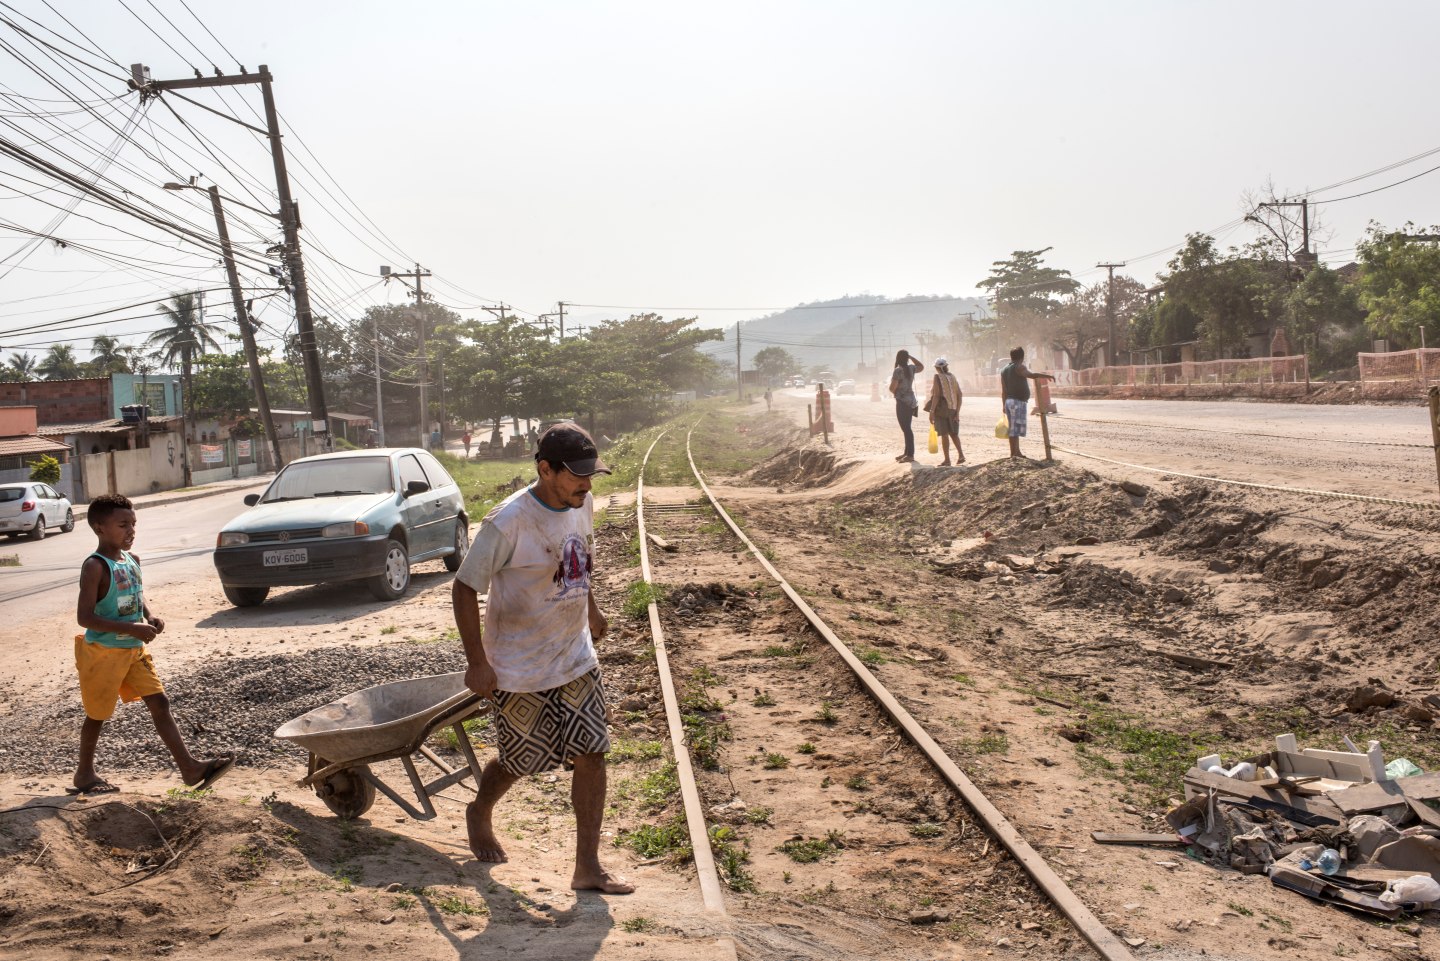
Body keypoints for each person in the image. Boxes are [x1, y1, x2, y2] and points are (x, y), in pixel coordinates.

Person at [451, 422, 634, 894]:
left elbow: (579, 559)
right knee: (521, 760)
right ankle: (480, 809)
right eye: (576, 476)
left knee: (593, 751)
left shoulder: (582, 503)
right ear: (545, 469)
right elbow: (464, 587)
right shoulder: (507, 521)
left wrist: (590, 607)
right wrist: (477, 662)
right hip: (518, 664)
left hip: (573, 654)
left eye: (591, 476)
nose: (587, 486)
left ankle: (587, 866)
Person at [71, 494, 234, 795]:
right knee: (97, 714)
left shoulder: (132, 560)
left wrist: (149, 615)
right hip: (103, 653)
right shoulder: (95, 566)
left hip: (133, 650)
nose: (131, 531)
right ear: (99, 528)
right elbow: (85, 617)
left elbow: (136, 593)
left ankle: (189, 768)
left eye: (133, 524)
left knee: (159, 703)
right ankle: (84, 774)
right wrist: (130, 627)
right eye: (122, 525)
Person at [999, 346, 1055, 459]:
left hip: (1009, 401)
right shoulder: (1019, 367)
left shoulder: (1004, 370)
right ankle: (1014, 454)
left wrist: (1004, 405)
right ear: (1022, 357)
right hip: (1017, 402)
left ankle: (1015, 452)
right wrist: (1047, 375)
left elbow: (1004, 390)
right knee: (1015, 429)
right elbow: (1032, 375)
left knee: (1013, 429)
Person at [887, 349, 925, 463]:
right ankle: (906, 452)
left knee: (906, 428)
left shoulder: (898, 370)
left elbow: (892, 387)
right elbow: (921, 366)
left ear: (897, 358)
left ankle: (910, 454)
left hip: (902, 401)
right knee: (907, 427)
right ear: (907, 358)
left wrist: (894, 391)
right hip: (911, 401)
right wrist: (911, 357)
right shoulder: (911, 368)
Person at [925, 357, 964, 466]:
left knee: (944, 434)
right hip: (953, 409)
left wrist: (932, 411)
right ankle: (961, 455)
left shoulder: (937, 377)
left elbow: (936, 396)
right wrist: (957, 412)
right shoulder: (952, 377)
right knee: (954, 433)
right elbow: (959, 394)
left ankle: (947, 460)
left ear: (937, 368)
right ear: (946, 367)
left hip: (942, 409)